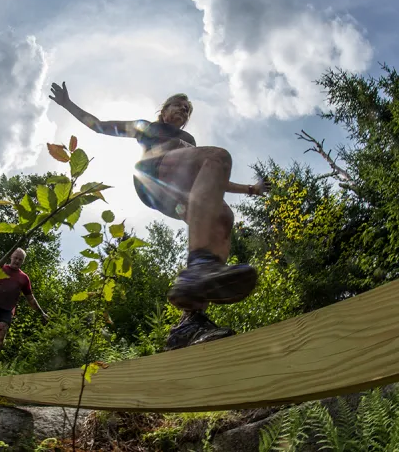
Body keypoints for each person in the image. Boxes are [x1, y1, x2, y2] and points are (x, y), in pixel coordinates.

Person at [49, 82, 270, 349]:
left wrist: (251, 189)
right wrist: (67, 104)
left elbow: (214, 178)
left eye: (187, 111)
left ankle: (191, 320)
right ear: (164, 110)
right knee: (219, 155)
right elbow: (98, 125)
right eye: (179, 106)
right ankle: (200, 267)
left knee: (223, 215)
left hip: (180, 194)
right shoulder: (148, 128)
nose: (184, 112)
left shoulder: (190, 142)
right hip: (153, 177)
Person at [0, 248, 49, 374]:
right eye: (15, 258)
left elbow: (30, 298)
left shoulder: (24, 278)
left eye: (20, 259)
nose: (17, 261)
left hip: (7, 310)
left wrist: (41, 312)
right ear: (11, 257)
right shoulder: (0, 268)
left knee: (1, 331)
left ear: (23, 261)